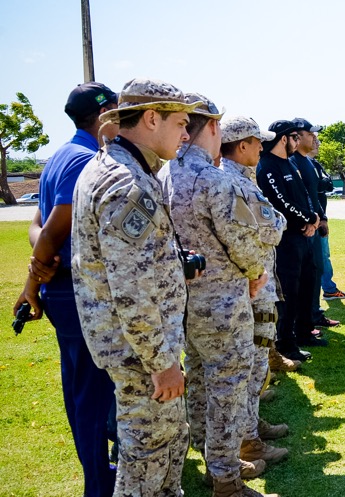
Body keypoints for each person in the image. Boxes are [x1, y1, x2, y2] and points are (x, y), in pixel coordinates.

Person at [69, 77, 198, 497]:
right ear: (149, 118)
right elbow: (131, 290)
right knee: (147, 458)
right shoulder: (127, 184)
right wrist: (161, 361)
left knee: (164, 448)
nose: (186, 133)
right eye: (180, 122)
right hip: (143, 356)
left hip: (139, 349)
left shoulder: (121, 169)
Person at [158, 94, 281, 495]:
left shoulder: (163, 177)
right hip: (224, 302)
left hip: (183, 301)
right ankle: (225, 475)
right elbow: (244, 240)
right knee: (227, 387)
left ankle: (205, 452)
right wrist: (255, 272)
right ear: (212, 127)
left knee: (197, 377)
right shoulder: (216, 180)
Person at [13, 82, 119, 497]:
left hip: (63, 290)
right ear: (106, 113)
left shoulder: (60, 156)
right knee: (92, 394)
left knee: (83, 389)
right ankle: (100, 483)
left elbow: (36, 225)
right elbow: (54, 226)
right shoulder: (83, 160)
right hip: (78, 293)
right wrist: (35, 274)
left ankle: (102, 473)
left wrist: (37, 268)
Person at [218, 116, 293, 474]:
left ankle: (251, 427)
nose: (263, 148)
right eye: (257, 142)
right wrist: (276, 222)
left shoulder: (242, 180)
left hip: (256, 281)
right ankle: (247, 440)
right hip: (252, 284)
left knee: (256, 363)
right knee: (252, 362)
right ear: (242, 145)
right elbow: (274, 226)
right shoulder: (236, 183)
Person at [257, 120, 322, 362]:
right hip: (286, 241)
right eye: (294, 137)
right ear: (283, 139)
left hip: (303, 236)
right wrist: (307, 218)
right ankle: (286, 343)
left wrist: (313, 220)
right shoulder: (267, 167)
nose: (297, 142)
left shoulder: (289, 163)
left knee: (307, 284)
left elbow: (303, 195)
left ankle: (304, 332)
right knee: (289, 293)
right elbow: (280, 203)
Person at [289, 119, 342, 330]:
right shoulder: (292, 162)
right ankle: (304, 320)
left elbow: (314, 195)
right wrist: (309, 220)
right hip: (303, 228)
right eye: (310, 134)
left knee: (317, 270)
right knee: (305, 275)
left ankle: (314, 313)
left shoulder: (309, 162)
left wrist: (322, 218)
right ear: (297, 136)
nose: (314, 138)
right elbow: (298, 198)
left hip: (316, 224)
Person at [309, 138, 345, 303]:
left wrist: (321, 183)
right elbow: (316, 186)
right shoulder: (300, 164)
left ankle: (328, 289)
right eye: (314, 140)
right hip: (311, 220)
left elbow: (329, 185)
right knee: (317, 258)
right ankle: (324, 292)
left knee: (324, 255)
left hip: (322, 218)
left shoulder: (316, 164)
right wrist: (321, 183)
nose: (318, 144)